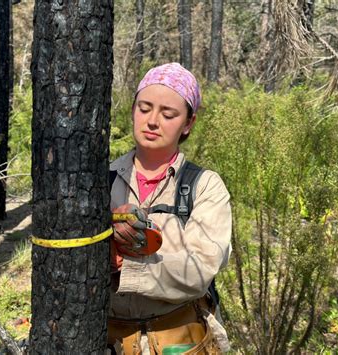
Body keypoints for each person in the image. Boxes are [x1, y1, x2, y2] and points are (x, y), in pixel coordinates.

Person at [108, 63, 232, 354]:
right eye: (144, 107)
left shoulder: (204, 186)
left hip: (180, 340)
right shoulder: (100, 180)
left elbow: (201, 269)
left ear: (188, 123)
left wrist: (123, 264)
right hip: (108, 340)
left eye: (168, 114)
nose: (152, 121)